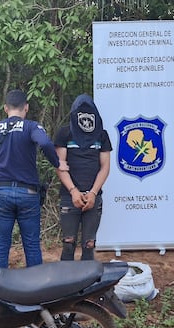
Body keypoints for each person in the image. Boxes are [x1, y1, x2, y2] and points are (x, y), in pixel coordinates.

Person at [0, 89, 65, 268]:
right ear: (26, 107)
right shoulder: (31, 127)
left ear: (5, 108)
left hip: (1, 193)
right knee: (32, 245)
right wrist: (57, 163)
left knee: (1, 247)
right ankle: (36, 290)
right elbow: (46, 143)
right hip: (28, 193)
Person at [54, 94, 112, 261]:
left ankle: (89, 285)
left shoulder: (101, 135)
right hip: (69, 196)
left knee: (89, 244)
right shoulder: (65, 133)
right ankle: (66, 285)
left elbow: (105, 167)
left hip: (93, 197)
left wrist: (93, 193)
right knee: (68, 242)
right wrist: (73, 191)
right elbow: (60, 165)